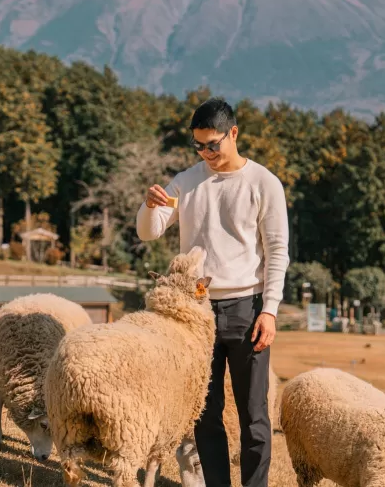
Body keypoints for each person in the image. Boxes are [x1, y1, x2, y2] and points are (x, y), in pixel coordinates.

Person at [136, 97, 290, 487]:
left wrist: (269, 310)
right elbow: (150, 231)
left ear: (233, 133)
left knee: (253, 414)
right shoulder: (185, 182)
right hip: (196, 313)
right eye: (199, 145)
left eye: (213, 144)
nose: (206, 153)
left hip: (247, 309)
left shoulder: (264, 183)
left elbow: (277, 252)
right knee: (204, 412)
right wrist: (148, 206)